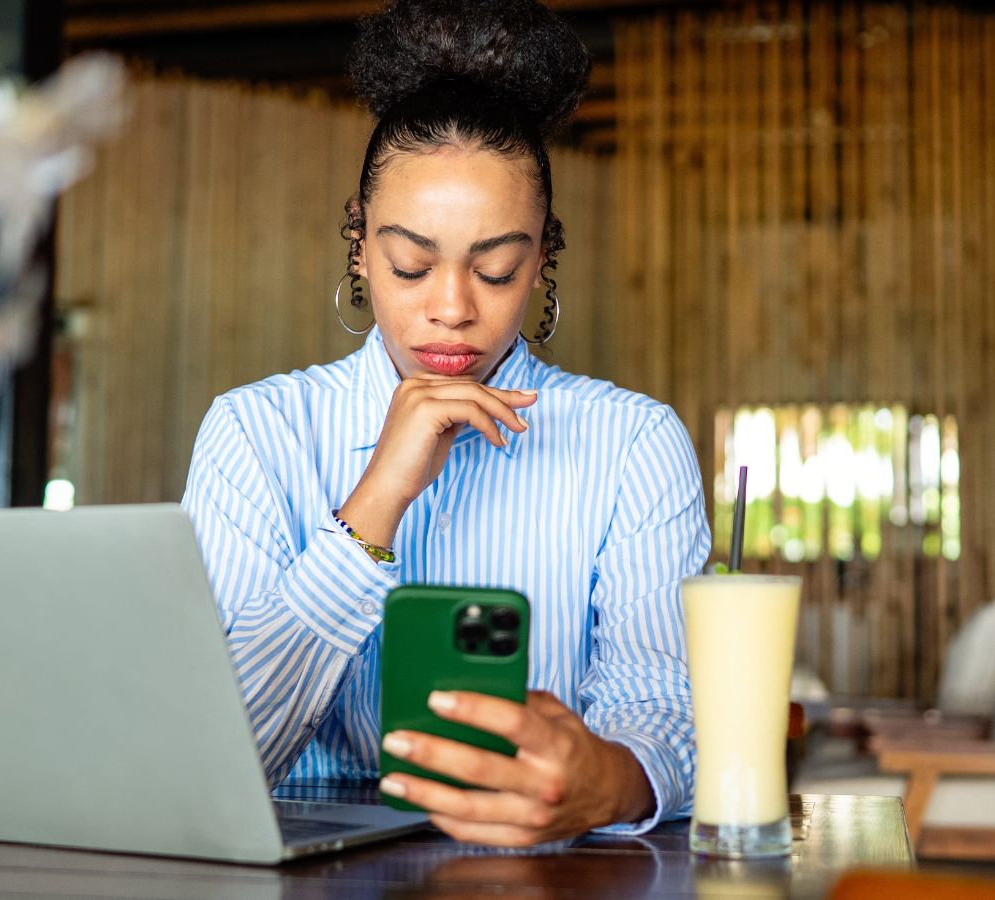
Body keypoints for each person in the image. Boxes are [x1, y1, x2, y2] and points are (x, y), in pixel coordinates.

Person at [181, 0, 709, 847]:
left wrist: (605, 780)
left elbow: (663, 709)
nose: (452, 309)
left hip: (541, 869)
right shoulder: (257, 432)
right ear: (359, 248)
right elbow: (210, 761)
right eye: (411, 264)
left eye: (496, 270)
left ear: (541, 261)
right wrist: (374, 505)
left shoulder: (632, 444)